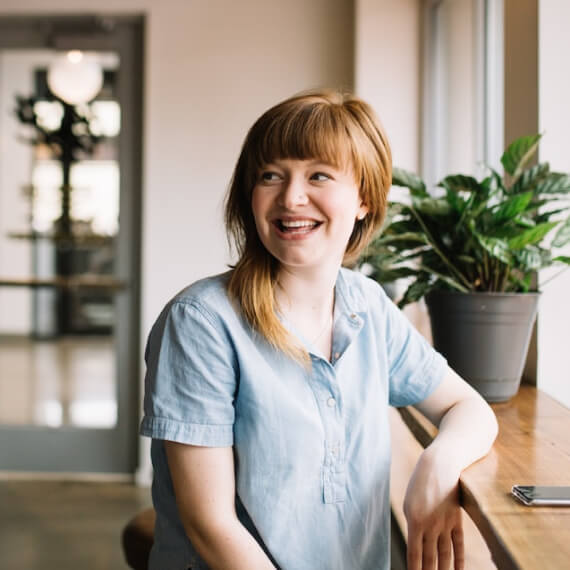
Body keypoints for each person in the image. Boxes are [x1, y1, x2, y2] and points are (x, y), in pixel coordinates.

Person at [140, 90, 498, 570]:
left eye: (318, 176)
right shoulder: (201, 322)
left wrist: (438, 464)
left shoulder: (367, 305)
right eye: (271, 175)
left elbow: (468, 407)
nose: (290, 197)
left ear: (365, 200)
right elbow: (211, 526)